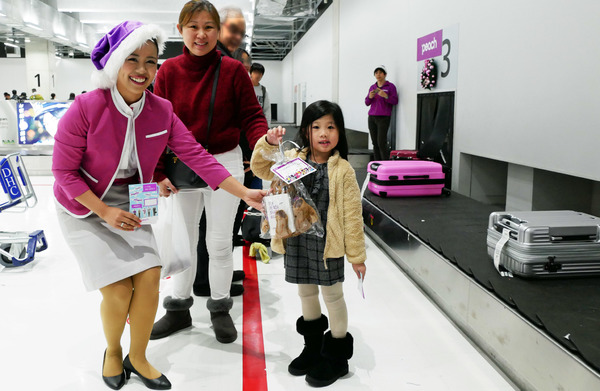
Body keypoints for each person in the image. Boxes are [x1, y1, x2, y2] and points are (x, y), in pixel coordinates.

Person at [52, 21, 265, 390]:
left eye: (151, 62)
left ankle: (139, 357)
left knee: (150, 278)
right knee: (118, 290)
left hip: (132, 203)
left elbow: (197, 155)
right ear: (115, 61)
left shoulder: (160, 110)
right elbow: (63, 173)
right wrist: (104, 212)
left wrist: (243, 192)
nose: (142, 69)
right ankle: (114, 353)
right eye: (132, 59)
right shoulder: (86, 108)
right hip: (84, 206)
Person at [150, 0, 268, 344]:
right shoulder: (168, 71)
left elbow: (251, 116)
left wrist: (264, 141)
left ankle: (219, 308)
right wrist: (158, 172)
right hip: (181, 167)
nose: (201, 34)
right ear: (180, 30)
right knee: (183, 241)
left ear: (218, 31)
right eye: (193, 26)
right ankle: (178, 310)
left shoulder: (232, 71)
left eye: (208, 27)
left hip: (225, 163)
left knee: (218, 244)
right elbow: (157, 125)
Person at [250, 100, 367, 387]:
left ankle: (337, 356)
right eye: (317, 127)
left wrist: (357, 256)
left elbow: (353, 216)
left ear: (340, 132)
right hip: (298, 240)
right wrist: (268, 142)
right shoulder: (292, 159)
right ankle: (313, 347)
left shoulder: (343, 171)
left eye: (331, 127)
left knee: (333, 297)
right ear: (306, 130)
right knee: (306, 294)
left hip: (330, 245)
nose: (324, 134)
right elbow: (259, 168)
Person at [365, 65, 398, 160]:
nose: (378, 75)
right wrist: (370, 97)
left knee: (381, 142)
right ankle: (377, 163)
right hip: (371, 117)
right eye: (376, 73)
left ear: (385, 74)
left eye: (380, 72)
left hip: (383, 117)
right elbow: (367, 103)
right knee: (374, 143)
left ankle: (385, 163)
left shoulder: (390, 87)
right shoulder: (372, 87)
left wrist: (386, 96)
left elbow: (395, 101)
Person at [250, 62, 271, 127]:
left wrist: (268, 126)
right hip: (245, 123)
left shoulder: (264, 90)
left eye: (260, 73)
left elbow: (267, 110)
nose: (258, 75)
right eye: (255, 72)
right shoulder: (245, 87)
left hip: (258, 123)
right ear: (251, 73)